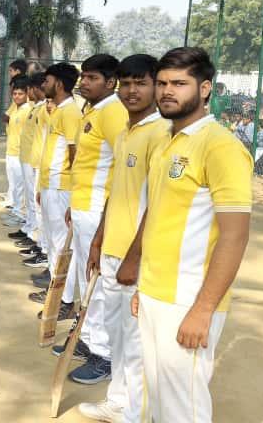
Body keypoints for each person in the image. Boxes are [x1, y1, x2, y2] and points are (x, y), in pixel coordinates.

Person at [133, 47, 252, 423]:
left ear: (204, 89)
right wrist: (142, 287)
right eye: (162, 83)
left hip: (188, 298)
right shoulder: (166, 140)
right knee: (158, 396)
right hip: (154, 293)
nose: (167, 91)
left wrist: (203, 309)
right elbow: (160, 220)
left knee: (183, 405)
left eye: (179, 83)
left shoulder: (221, 146)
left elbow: (235, 236)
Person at [78, 54, 169, 422]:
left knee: (135, 341)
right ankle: (118, 402)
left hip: (137, 257)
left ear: (155, 87)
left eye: (141, 83)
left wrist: (134, 257)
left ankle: (136, 412)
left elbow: (159, 204)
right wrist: (98, 239)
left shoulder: (161, 134)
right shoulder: (126, 133)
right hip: (112, 250)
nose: (132, 91)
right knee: (117, 336)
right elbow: (115, 192)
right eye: (126, 83)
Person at [62, 54, 129, 385]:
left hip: (98, 209)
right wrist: (72, 204)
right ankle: (88, 339)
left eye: (92, 78)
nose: (84, 82)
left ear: (110, 82)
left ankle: (104, 355)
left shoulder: (114, 112)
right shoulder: (94, 110)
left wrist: (105, 214)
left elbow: (123, 163)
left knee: (98, 284)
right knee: (84, 276)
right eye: (83, 77)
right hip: (82, 205)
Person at [29, 62, 81, 323]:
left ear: (59, 84)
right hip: (50, 184)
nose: (43, 85)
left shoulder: (70, 112)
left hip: (62, 187)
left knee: (62, 245)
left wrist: (71, 190)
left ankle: (65, 301)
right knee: (52, 241)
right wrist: (42, 186)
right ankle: (55, 291)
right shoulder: (57, 110)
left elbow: (75, 153)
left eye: (47, 81)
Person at [13, 73, 49, 273]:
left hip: (37, 162)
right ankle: (33, 233)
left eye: (29, 89)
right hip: (29, 158)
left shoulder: (45, 109)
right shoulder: (36, 108)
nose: (29, 93)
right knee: (32, 200)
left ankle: (40, 244)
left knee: (39, 205)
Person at [3, 78, 32, 224]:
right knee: (14, 185)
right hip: (11, 151)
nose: (17, 97)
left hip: (21, 153)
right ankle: (16, 210)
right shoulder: (16, 108)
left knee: (21, 186)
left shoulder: (28, 110)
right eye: (15, 94)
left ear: (27, 94)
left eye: (20, 94)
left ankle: (21, 214)